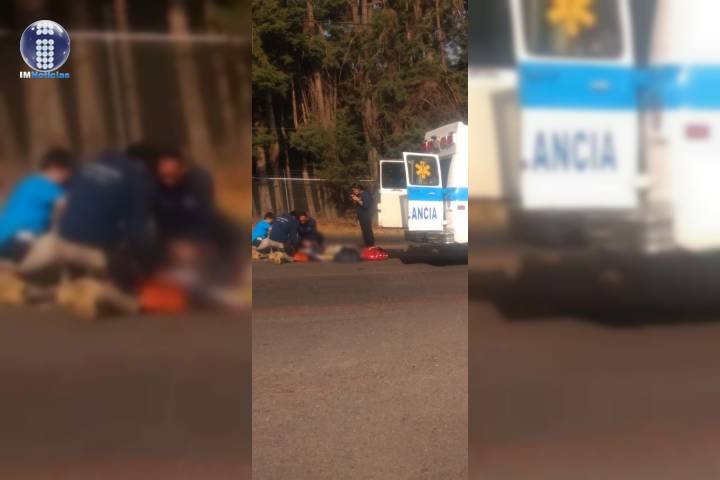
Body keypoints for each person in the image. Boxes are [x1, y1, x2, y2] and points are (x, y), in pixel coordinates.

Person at [0, 148, 75, 263]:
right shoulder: (47, 185)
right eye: (67, 174)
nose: (67, 179)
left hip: (5, 232)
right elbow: (67, 205)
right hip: (16, 237)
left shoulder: (29, 181)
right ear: (56, 169)